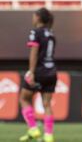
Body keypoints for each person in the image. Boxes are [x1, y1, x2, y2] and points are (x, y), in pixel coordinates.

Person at [19, 8, 57, 142]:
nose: (32, 18)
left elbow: (34, 53)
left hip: (39, 71)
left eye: (34, 16)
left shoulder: (35, 32)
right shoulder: (50, 33)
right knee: (47, 104)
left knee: (24, 98)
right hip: (51, 72)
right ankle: (48, 136)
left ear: (38, 18)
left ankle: (33, 129)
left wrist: (31, 72)